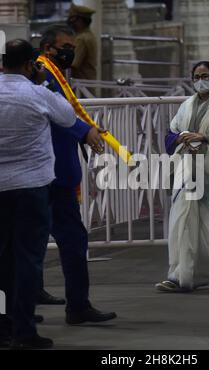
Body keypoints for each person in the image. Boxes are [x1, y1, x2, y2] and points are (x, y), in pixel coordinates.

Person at [36, 26, 117, 324]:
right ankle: (78, 306)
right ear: (48, 48)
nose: (71, 50)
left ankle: (27, 301)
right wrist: (85, 131)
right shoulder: (44, 76)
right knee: (71, 240)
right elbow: (61, 114)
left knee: (30, 242)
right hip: (51, 174)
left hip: (47, 173)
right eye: (65, 46)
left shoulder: (49, 74)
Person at [0, 39, 77, 349]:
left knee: (2, 261)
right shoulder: (37, 93)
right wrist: (44, 83)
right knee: (29, 261)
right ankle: (24, 331)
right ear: (31, 65)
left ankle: (2, 328)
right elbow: (69, 117)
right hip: (31, 188)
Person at [156, 61, 209, 292]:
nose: (201, 80)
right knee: (181, 220)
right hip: (187, 172)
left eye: (205, 75)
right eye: (196, 76)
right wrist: (182, 138)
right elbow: (170, 134)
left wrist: (205, 138)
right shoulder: (186, 105)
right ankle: (178, 275)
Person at [67, 3, 97, 81]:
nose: (71, 22)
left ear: (80, 20)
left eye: (73, 19)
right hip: (88, 83)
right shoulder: (89, 35)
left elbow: (73, 64)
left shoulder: (81, 39)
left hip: (81, 85)